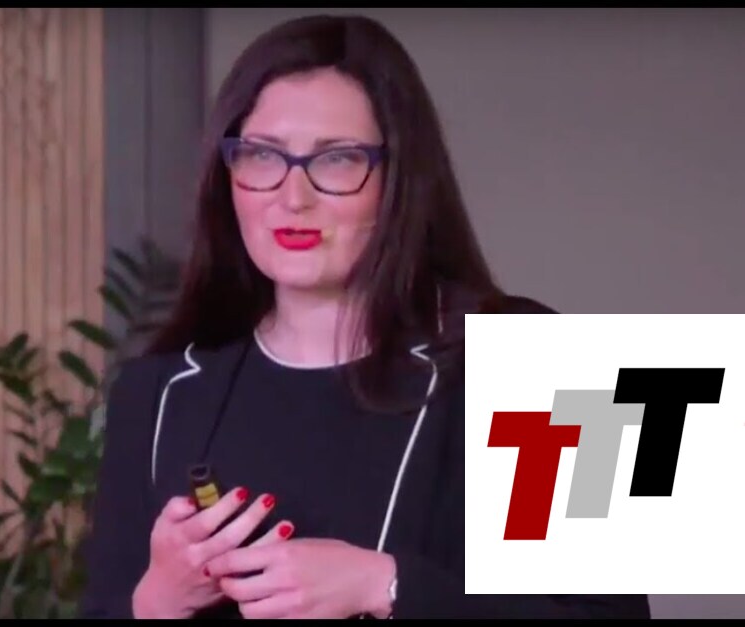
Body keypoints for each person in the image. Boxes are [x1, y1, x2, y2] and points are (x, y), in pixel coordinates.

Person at [78, 13, 651, 620]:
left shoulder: (535, 353)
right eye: (262, 155)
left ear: (400, 178)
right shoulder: (155, 395)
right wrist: (154, 603)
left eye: (337, 160)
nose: (292, 197)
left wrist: (385, 585)